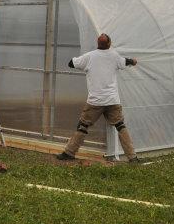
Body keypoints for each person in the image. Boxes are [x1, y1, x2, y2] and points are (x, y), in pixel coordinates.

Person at [57, 33, 140, 162]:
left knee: (83, 126)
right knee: (120, 126)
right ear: (109, 44)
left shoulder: (90, 56)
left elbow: (71, 63)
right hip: (112, 100)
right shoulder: (114, 56)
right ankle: (132, 157)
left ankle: (69, 153)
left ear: (98, 43)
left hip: (95, 101)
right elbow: (127, 62)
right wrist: (133, 61)